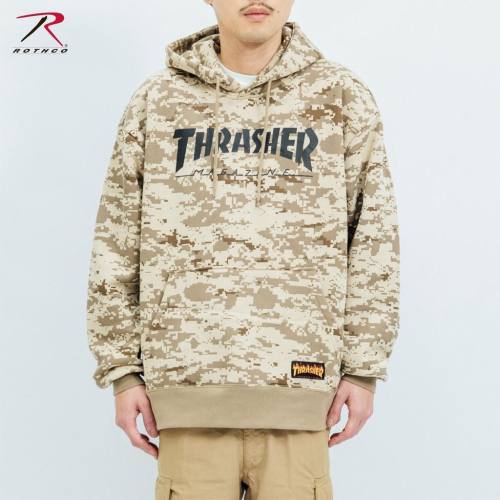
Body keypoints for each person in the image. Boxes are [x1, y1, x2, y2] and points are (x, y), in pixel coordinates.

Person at [86, 1, 400, 498]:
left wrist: (363, 370)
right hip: (188, 390)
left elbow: (373, 236)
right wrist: (123, 372)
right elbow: (116, 240)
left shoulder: (341, 96)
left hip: (301, 388)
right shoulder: (157, 100)